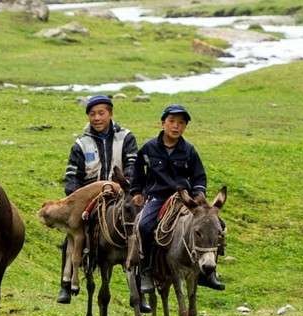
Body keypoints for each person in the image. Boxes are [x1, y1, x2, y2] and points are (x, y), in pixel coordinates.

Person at [128, 104, 224, 292]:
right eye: (171, 121)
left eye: (181, 123)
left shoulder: (189, 150)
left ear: (185, 127)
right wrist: (137, 192)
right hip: (157, 197)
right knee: (144, 226)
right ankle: (147, 271)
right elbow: (137, 173)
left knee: (217, 225)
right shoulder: (148, 148)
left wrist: (199, 192)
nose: (175, 126)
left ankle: (210, 273)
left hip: (185, 198)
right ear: (163, 123)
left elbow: (199, 176)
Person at [57, 95, 139, 304]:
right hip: (90, 195)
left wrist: (125, 185)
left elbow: (132, 165)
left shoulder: (126, 137)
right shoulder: (81, 143)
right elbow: (72, 176)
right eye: (92, 114)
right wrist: (75, 197)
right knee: (72, 233)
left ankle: (140, 288)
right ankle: (65, 284)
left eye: (101, 113)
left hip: (121, 191)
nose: (97, 118)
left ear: (110, 114)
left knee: (137, 229)